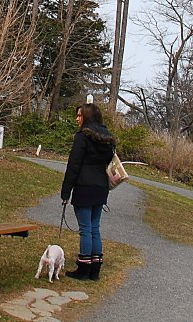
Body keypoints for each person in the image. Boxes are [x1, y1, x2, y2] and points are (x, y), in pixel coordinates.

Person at [61, 103, 116, 280]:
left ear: (87, 117)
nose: (77, 119)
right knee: (94, 228)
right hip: (101, 187)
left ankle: (84, 266)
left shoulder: (82, 137)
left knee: (85, 229)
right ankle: (95, 267)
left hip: (84, 186)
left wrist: (65, 192)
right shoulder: (108, 138)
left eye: (80, 115)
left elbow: (73, 165)